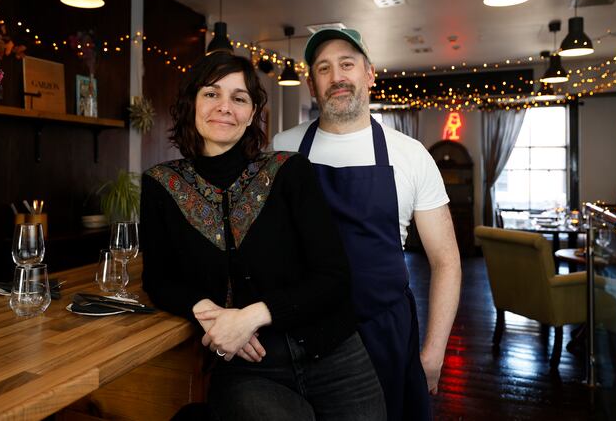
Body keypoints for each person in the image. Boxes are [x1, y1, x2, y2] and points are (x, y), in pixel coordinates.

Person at [140, 52, 386, 421]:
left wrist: (250, 316)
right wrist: (211, 314)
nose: (225, 107)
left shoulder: (289, 172)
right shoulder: (161, 183)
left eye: (239, 98)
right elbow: (159, 280)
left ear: (252, 113)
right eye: (212, 94)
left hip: (336, 356)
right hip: (248, 368)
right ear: (191, 102)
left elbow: (334, 277)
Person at [273, 28, 462, 420]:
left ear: (370, 74)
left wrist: (434, 351)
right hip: (301, 336)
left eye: (347, 64)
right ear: (311, 83)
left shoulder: (410, 155)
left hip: (383, 336)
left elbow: (446, 261)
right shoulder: (281, 148)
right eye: (323, 68)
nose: (337, 76)